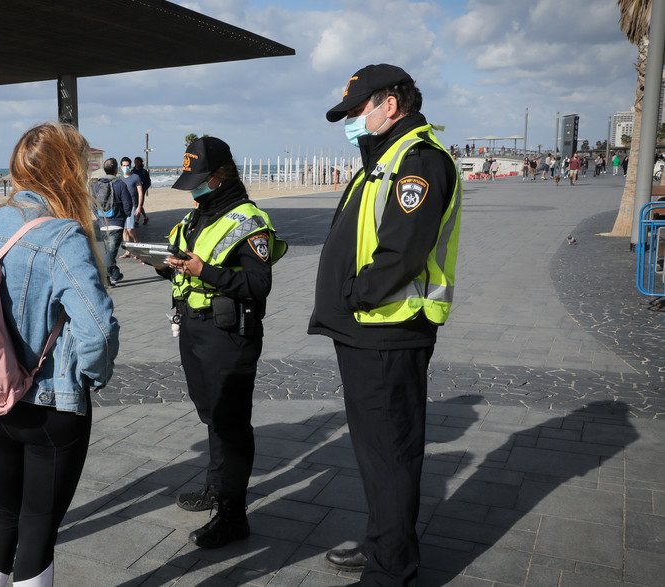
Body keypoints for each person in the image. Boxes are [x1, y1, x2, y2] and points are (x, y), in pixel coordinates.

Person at [309, 64, 462, 586]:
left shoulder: (418, 161)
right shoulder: (384, 157)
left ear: (388, 105)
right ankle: (384, 546)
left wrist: (355, 295)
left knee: (391, 454)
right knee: (377, 456)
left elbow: (403, 252)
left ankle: (390, 571)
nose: (352, 121)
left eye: (356, 111)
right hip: (368, 327)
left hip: (387, 328)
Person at [0, 122, 119, 587]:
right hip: (51, 403)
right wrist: (93, 377)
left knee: (1, 515)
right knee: (38, 529)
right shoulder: (64, 235)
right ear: (68, 172)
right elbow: (98, 329)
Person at [151, 136, 287, 549]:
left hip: (229, 334)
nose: (193, 187)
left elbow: (258, 284)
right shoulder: (196, 218)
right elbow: (182, 270)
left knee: (230, 422)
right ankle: (217, 486)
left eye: (199, 180)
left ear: (218, 176)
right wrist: (163, 263)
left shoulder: (249, 220)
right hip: (194, 329)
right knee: (211, 414)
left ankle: (234, 514)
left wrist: (204, 270)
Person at [94, 157, 134, 287]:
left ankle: (115, 274)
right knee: (111, 253)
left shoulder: (97, 185)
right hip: (116, 223)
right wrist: (124, 216)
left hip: (103, 224)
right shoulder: (120, 184)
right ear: (116, 169)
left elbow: (92, 204)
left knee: (109, 251)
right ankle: (104, 277)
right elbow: (128, 203)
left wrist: (99, 218)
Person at [118, 156, 144, 256]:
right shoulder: (119, 178)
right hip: (122, 207)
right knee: (124, 230)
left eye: (127, 165)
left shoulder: (135, 177)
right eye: (124, 165)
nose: (125, 167)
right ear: (121, 167)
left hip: (132, 206)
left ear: (130, 166)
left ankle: (136, 242)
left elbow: (140, 192)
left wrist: (139, 207)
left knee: (130, 229)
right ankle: (128, 251)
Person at [132, 156, 151, 225]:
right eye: (135, 162)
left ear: (140, 163)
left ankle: (136, 221)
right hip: (133, 191)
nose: (136, 163)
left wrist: (144, 189)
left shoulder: (144, 172)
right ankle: (145, 217)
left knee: (139, 205)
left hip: (141, 191)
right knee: (138, 205)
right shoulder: (132, 171)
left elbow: (148, 182)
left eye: (137, 162)